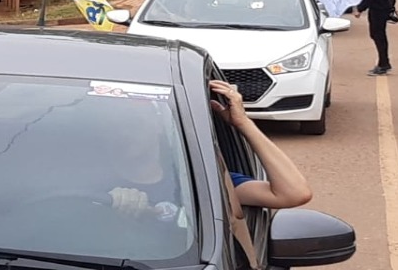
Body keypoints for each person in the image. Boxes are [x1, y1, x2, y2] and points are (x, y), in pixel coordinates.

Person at [105, 80, 312, 220]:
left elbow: (294, 193)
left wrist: (243, 123)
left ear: (159, 125)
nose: (124, 133)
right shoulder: (91, 179)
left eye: (133, 123)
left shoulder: (201, 180)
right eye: (115, 125)